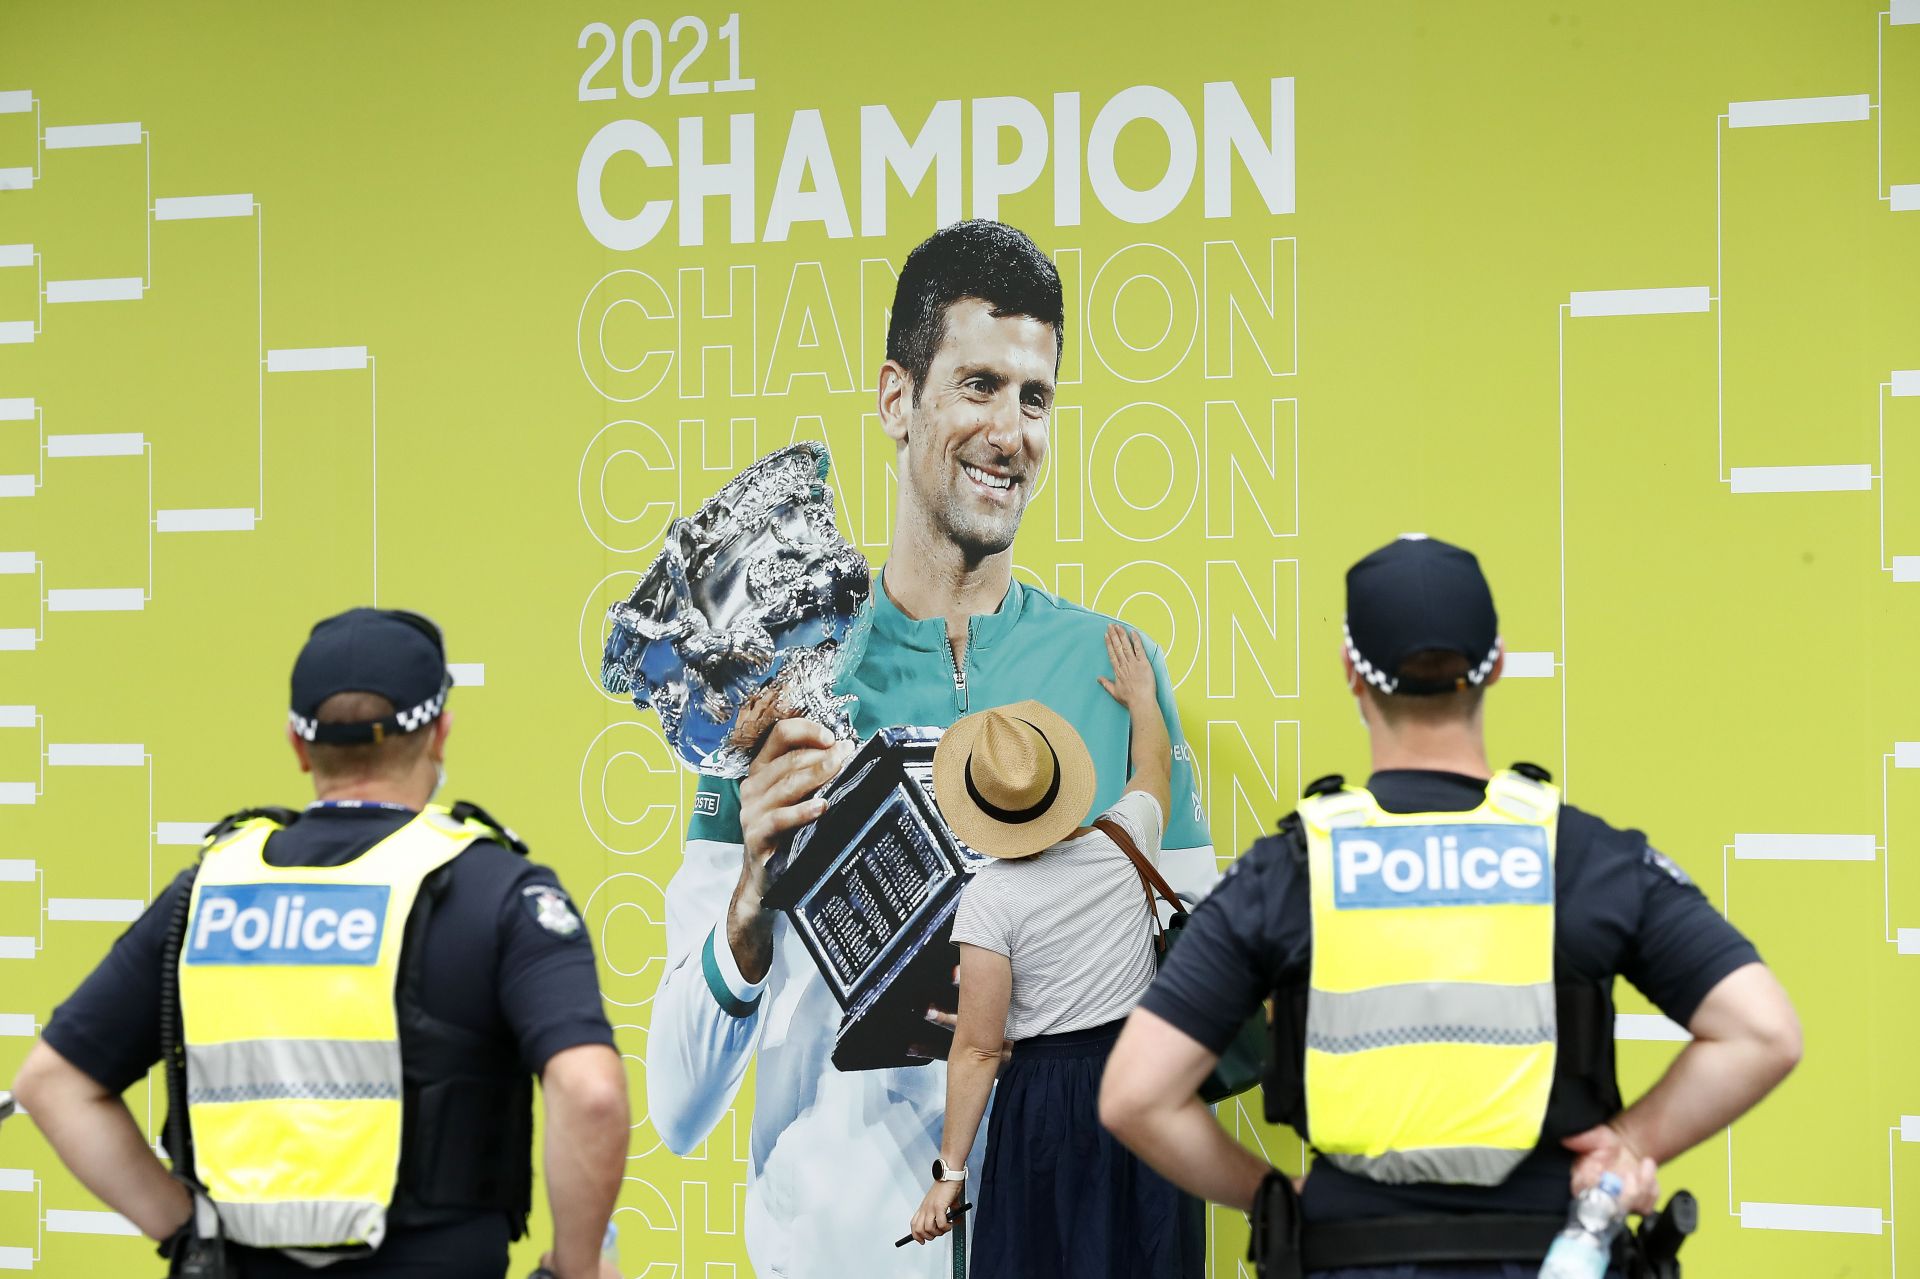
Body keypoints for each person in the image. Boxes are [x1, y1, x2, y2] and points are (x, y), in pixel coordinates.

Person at [646, 219, 1214, 1278]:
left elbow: (1194, 1008)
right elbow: (677, 1109)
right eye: (980, 385)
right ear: (897, 399)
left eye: (1035, 397)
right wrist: (750, 911)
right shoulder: (779, 690)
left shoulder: (1114, 668)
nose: (1012, 430)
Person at [1100, 535, 1804, 1277]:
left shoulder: (1289, 872)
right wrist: (1631, 1142)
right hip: (1554, 1249)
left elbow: (1135, 1095)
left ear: (1351, 672)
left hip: (1349, 1253)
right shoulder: (1582, 855)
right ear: (1496, 663)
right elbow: (1763, 1032)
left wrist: (1273, 1194)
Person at [11, 607, 628, 1279]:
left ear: (299, 745)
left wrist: (193, 1237)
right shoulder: (500, 891)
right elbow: (591, 1091)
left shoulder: (207, 892)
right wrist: (578, 1268)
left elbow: (53, 1083)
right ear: (440, 734)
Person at [907, 628, 1190, 1276]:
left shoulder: (991, 899)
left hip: (1050, 1102)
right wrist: (1143, 698)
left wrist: (950, 1174)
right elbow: (1151, 764)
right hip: (1146, 1080)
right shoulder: (1128, 837)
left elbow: (977, 1048)